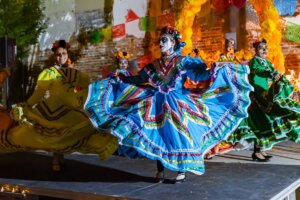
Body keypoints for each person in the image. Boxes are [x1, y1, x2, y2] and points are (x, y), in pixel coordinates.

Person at [84, 26, 252, 183]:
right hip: (155, 103)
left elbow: (200, 76)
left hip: (178, 103)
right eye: (160, 40)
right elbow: (139, 79)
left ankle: (182, 170)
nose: (161, 43)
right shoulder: (153, 65)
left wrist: (215, 69)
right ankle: (161, 170)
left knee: (182, 135)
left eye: (164, 40)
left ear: (174, 42)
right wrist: (121, 79)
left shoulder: (183, 61)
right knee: (158, 136)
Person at [4, 40, 117, 171]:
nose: (61, 57)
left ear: (67, 55)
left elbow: (84, 91)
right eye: (58, 54)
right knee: (53, 134)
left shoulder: (77, 74)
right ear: (54, 56)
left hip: (70, 108)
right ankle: (56, 159)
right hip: (52, 108)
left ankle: (59, 157)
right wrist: (27, 105)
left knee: (68, 133)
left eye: (64, 54)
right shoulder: (49, 73)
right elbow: (39, 93)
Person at [227, 39, 300, 161]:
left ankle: (262, 150)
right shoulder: (254, 62)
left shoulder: (267, 62)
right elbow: (259, 71)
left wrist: (278, 77)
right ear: (255, 50)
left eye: (266, 48)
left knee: (267, 122)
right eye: (261, 48)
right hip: (256, 97)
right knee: (260, 123)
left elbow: (273, 72)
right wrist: (270, 74)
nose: (264, 50)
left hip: (264, 95)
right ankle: (257, 152)